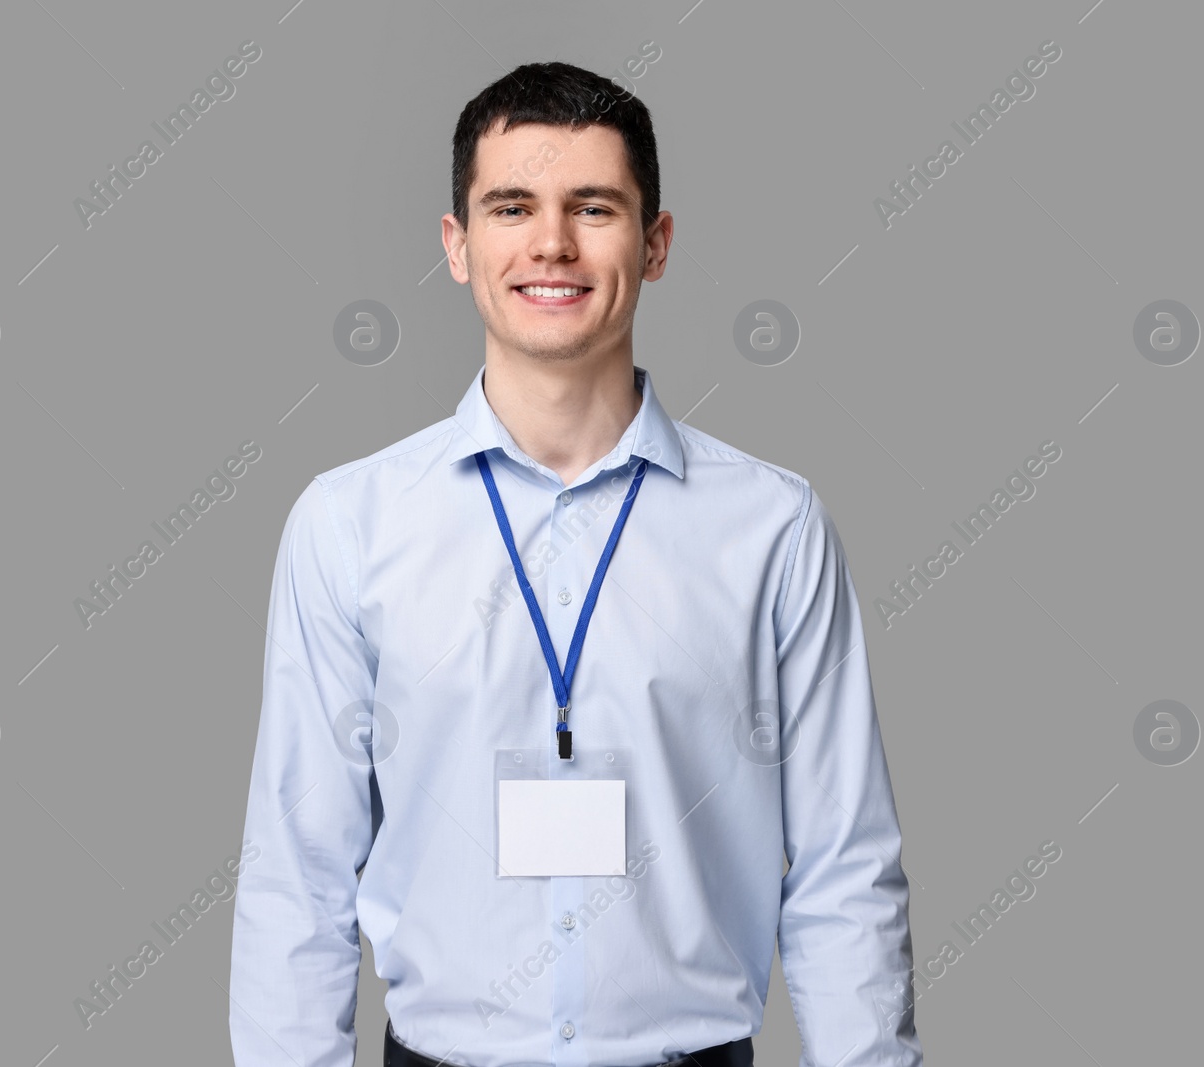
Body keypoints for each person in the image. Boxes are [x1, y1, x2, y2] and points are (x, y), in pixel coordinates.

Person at [229, 61, 922, 1067]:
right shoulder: (349, 524)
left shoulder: (770, 527)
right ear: (457, 246)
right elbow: (299, 874)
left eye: (592, 207)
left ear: (656, 243)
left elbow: (843, 868)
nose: (550, 242)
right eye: (511, 206)